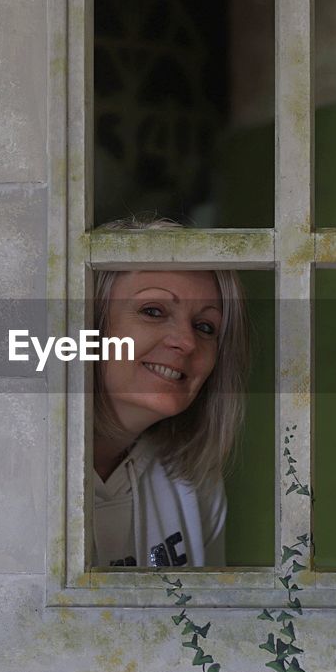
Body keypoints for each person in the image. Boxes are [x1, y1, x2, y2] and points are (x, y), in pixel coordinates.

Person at [90, 224, 249, 569]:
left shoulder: (196, 482)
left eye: (205, 327)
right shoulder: (10, 473)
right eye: (153, 311)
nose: (188, 342)